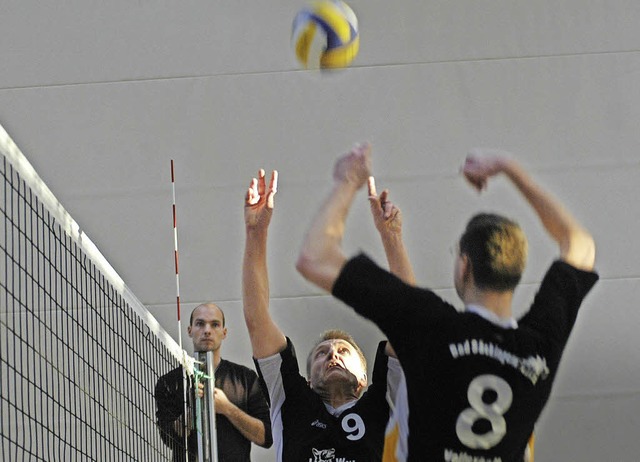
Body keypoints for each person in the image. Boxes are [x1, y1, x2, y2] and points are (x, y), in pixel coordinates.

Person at [296, 143, 599, 461]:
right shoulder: (539, 346)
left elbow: (315, 258)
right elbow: (579, 244)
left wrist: (348, 181)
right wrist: (510, 167)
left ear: (464, 265)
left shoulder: (434, 329)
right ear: (517, 271)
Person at [242, 169, 407, 461]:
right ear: (307, 381)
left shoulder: (385, 401)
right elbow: (257, 320)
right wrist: (256, 232)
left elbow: (409, 320)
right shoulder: (290, 401)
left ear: (364, 378)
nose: (332, 355)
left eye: (343, 351)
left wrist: (392, 238)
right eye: (321, 353)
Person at [154, 303, 273, 462]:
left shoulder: (246, 378)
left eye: (215, 324)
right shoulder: (170, 382)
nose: (207, 330)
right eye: (200, 324)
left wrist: (228, 409)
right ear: (190, 331)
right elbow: (168, 438)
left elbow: (266, 438)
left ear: (224, 332)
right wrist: (193, 411)